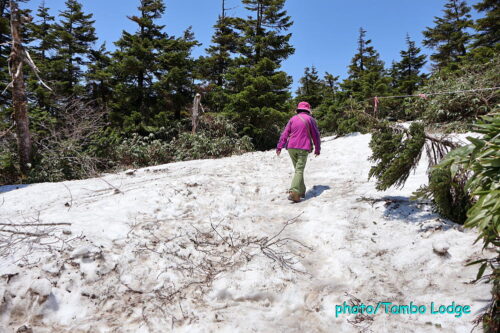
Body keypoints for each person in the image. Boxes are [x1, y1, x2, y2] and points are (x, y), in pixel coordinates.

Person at [276, 101, 321, 203]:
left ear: (298, 109)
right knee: (299, 170)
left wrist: (279, 147)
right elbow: (316, 136)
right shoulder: (310, 119)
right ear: (308, 110)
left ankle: (301, 191)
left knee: (298, 170)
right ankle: (295, 192)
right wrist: (317, 149)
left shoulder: (292, 119)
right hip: (303, 147)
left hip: (291, 147)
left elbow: (284, 134)